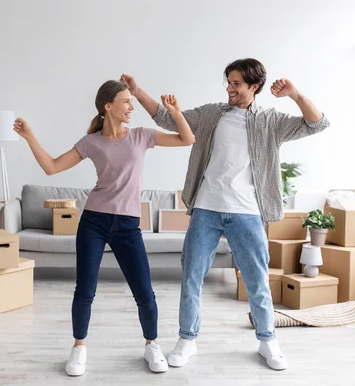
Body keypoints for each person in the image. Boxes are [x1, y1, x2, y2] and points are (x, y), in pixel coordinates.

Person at [120, 58, 330, 371]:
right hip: (206, 207)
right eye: (228, 82)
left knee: (257, 281)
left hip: (247, 212)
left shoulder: (271, 120)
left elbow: (318, 123)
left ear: (254, 87)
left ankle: (267, 341)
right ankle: (187, 340)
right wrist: (137, 91)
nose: (230, 88)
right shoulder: (211, 114)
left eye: (236, 84)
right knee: (191, 277)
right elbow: (167, 119)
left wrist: (295, 95)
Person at [13, 80, 195, 376]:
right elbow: (52, 167)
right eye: (125, 101)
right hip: (94, 222)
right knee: (84, 290)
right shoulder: (91, 143)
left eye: (131, 101)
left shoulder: (141, 136)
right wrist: (30, 137)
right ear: (107, 107)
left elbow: (186, 140)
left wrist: (175, 112)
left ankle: (152, 345)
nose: (131, 107)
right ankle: (78, 348)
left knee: (144, 292)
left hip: (128, 225)